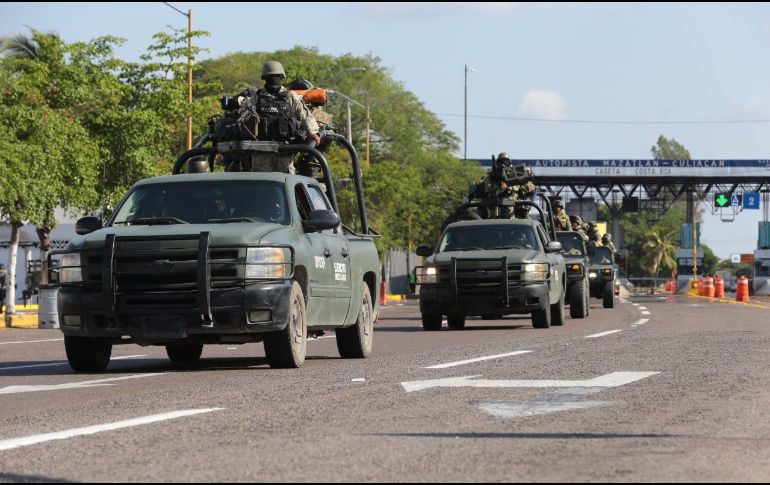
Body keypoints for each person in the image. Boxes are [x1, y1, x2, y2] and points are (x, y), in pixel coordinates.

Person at [223, 61, 321, 173]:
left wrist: (313, 132)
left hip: (285, 151)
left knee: (285, 184)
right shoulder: (257, 96)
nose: (273, 80)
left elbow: (305, 114)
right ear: (264, 78)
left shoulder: (290, 96)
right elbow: (244, 116)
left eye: (276, 77)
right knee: (261, 186)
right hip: (261, 152)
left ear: (281, 77)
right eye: (270, 77)